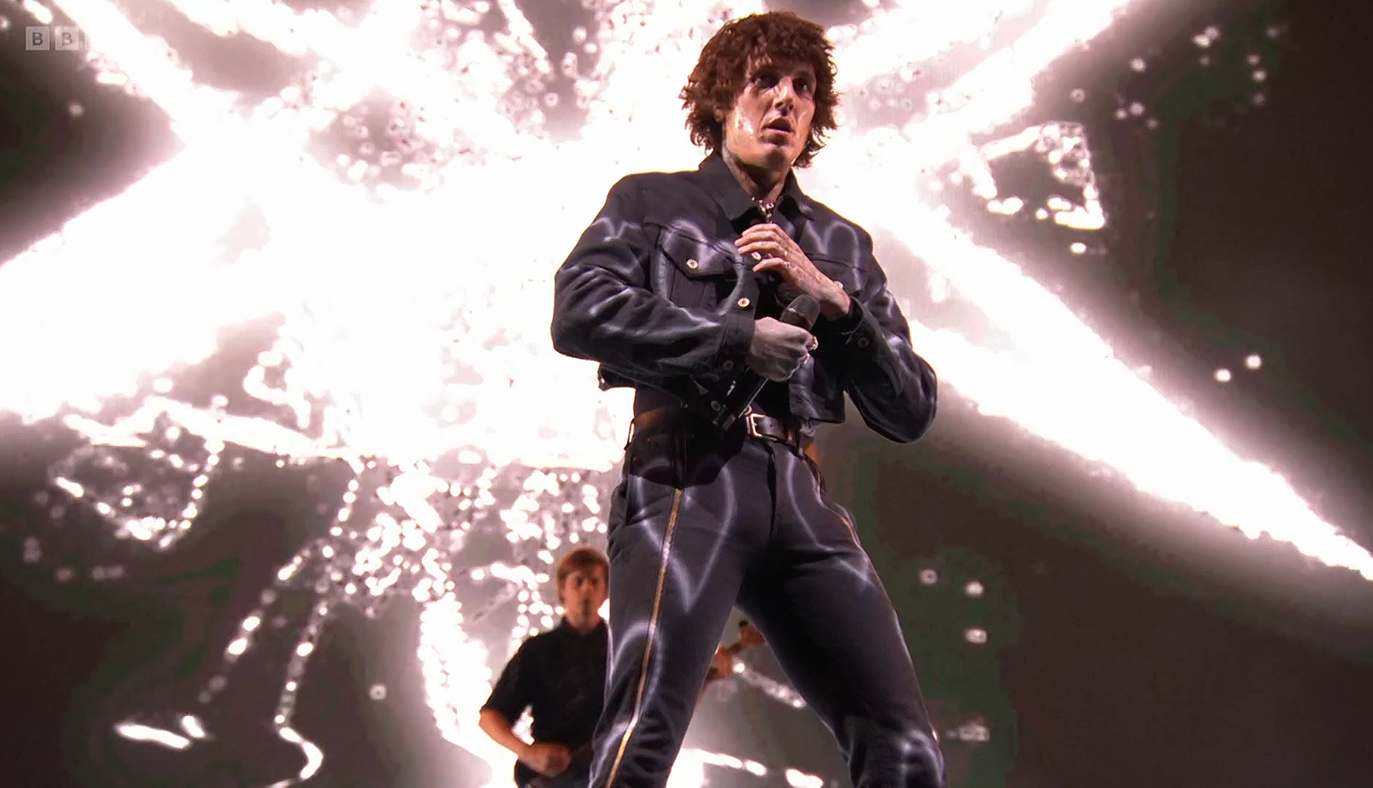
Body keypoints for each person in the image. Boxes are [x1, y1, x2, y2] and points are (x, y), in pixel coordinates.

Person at [549, 10, 947, 788]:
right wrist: (732, 341)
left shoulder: (840, 245)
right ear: (719, 97)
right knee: (641, 736)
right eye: (764, 80)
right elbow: (578, 311)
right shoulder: (650, 202)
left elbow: (910, 408)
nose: (785, 100)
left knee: (904, 750)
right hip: (686, 477)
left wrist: (837, 305)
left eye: (803, 87)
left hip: (800, 491)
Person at [478, 547, 738, 787]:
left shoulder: (629, 649)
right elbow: (490, 717)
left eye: (595, 582)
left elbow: (662, 709)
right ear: (562, 590)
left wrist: (705, 677)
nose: (587, 589)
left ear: (605, 592)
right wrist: (528, 753)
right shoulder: (536, 650)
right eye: (578, 581)